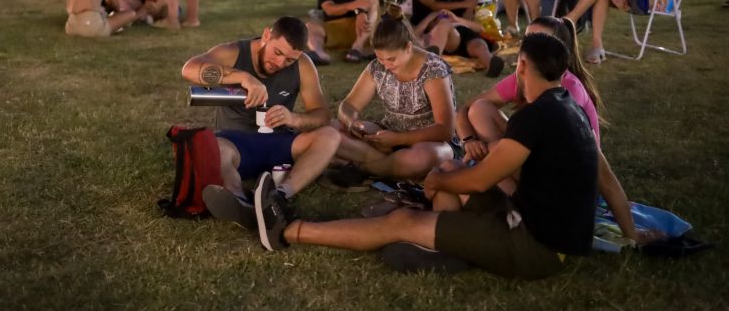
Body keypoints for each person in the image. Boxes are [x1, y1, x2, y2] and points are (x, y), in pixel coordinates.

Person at [254, 33, 657, 278]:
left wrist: (438, 180)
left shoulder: (533, 118)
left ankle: (289, 230)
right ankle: (445, 247)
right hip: (539, 224)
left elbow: (481, 179)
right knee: (451, 168)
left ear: (521, 66)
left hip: (535, 247)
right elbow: (608, 182)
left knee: (404, 219)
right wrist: (633, 235)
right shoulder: (571, 107)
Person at [181, 17, 340, 229]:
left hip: (279, 142)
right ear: (266, 35)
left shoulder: (302, 64)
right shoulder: (235, 52)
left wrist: (294, 118)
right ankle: (238, 200)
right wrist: (242, 77)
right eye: (277, 52)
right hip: (235, 143)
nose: (280, 63)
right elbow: (189, 69)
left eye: (289, 60)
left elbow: (322, 115)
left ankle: (280, 196)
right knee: (214, 147)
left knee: (330, 135)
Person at [327, 11, 457, 185]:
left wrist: (398, 139)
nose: (386, 65)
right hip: (387, 139)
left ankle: (362, 169)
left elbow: (445, 129)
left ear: (408, 47)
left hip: (428, 143)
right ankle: (389, 165)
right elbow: (348, 105)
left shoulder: (433, 70)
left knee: (421, 158)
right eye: (380, 59)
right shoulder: (377, 67)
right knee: (331, 129)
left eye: (392, 59)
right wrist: (352, 122)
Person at [457, 17, 602, 160]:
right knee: (480, 108)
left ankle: (493, 167)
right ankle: (494, 167)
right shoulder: (524, 75)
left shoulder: (569, 88)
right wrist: (469, 141)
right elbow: (466, 108)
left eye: (540, 41)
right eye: (526, 40)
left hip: (563, 162)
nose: (530, 47)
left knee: (458, 167)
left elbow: (553, 146)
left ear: (559, 50)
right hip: (537, 150)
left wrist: (486, 150)